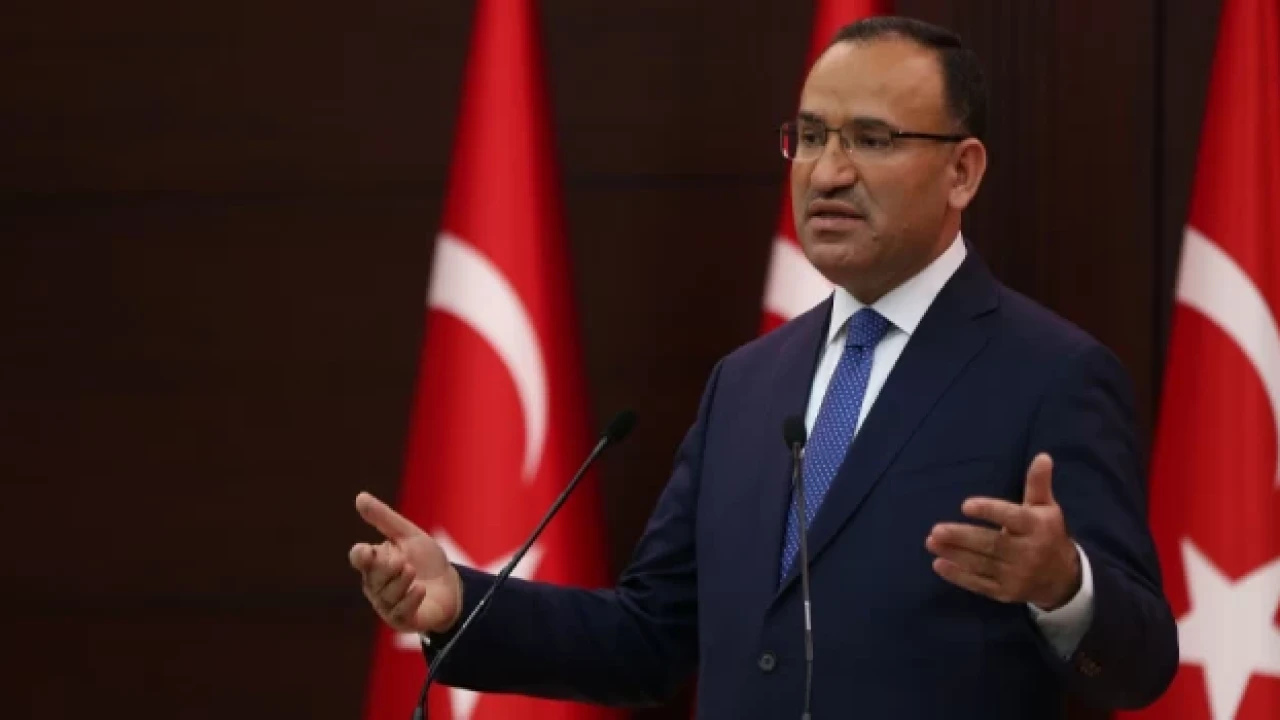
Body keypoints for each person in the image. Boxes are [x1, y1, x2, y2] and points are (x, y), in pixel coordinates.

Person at [349, 16, 1178, 719]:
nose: (829, 171)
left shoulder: (1052, 374)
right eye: (810, 137)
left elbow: (1142, 664)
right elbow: (651, 635)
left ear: (962, 171)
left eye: (872, 140)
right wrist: (462, 605)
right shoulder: (746, 384)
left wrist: (1064, 587)